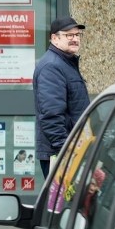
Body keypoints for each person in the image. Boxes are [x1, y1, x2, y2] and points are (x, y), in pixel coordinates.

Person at [33, 16, 90, 178]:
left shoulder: (65, 63)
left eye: (77, 35)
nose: (75, 39)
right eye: (68, 35)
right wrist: (65, 151)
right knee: (62, 202)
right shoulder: (52, 66)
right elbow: (51, 115)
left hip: (72, 149)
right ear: (54, 39)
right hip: (61, 153)